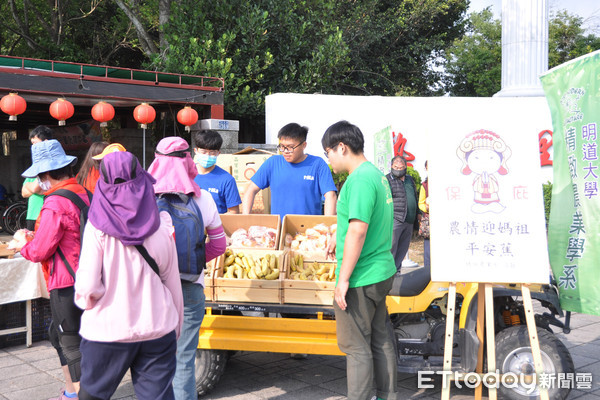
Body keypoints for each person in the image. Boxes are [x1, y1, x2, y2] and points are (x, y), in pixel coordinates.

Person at [74, 151, 184, 400]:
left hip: (108, 331)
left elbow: (88, 285)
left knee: (92, 396)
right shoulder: (162, 224)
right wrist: (175, 328)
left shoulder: (96, 228)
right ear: (142, 180)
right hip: (158, 328)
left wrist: (88, 303)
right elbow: (171, 282)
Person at [322, 121, 398, 400]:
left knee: (355, 346)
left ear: (341, 147)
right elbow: (357, 224)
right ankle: (387, 395)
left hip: (361, 276)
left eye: (328, 152)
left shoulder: (359, 180)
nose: (328, 159)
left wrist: (343, 280)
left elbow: (358, 229)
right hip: (380, 270)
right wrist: (336, 237)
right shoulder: (375, 175)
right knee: (380, 340)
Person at [148, 137, 227, 400]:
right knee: (184, 358)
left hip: (152, 289)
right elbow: (219, 245)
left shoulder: (143, 199)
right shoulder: (202, 199)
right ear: (188, 161)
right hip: (190, 288)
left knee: (152, 360)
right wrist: (195, 258)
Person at [13, 139, 90, 400]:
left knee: (70, 342)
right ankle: (70, 391)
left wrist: (24, 242)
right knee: (58, 336)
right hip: (90, 276)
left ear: (46, 175)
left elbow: (39, 251)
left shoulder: (55, 203)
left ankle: (80, 394)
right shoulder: (84, 193)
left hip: (67, 281)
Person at [242, 122, 337, 218]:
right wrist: (245, 218)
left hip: (309, 229)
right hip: (279, 228)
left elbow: (330, 195)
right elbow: (251, 190)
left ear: (304, 145)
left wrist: (328, 225)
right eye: (282, 147)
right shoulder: (273, 163)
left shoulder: (317, 164)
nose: (286, 151)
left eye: (290, 147)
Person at [192, 129, 241, 214]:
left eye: (212, 152)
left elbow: (234, 212)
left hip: (216, 226)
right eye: (203, 152)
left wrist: (215, 222)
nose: (207, 156)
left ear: (218, 153)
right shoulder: (185, 175)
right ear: (195, 151)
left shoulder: (227, 180)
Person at [386, 156, 418, 272]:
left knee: (402, 249)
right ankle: (387, 275)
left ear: (405, 167)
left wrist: (417, 213)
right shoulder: (387, 180)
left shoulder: (409, 179)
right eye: (396, 167)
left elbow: (414, 196)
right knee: (392, 248)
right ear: (391, 167)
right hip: (395, 219)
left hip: (409, 220)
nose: (398, 169)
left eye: (401, 167)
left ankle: (397, 272)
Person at [21, 125, 53, 231]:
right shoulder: (34, 167)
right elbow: (24, 193)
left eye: (35, 143)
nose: (33, 147)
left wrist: (33, 188)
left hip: (48, 214)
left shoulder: (55, 165)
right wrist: (37, 188)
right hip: (32, 215)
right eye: (32, 144)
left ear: (46, 142)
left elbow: (34, 188)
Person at [418, 161, 430, 268]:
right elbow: (420, 203)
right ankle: (428, 271)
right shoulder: (424, 185)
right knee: (428, 249)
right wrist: (426, 208)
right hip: (429, 220)